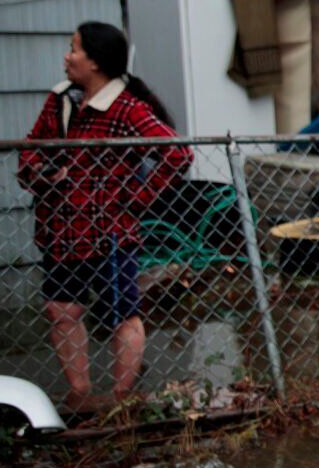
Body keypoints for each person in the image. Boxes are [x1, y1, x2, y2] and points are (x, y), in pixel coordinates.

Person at [18, 22, 191, 418]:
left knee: (122, 315)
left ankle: (120, 397)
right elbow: (29, 150)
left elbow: (177, 153)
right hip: (60, 230)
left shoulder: (126, 108)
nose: (67, 56)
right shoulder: (61, 101)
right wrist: (43, 174)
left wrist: (134, 201)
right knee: (62, 312)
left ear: (95, 62)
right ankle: (80, 395)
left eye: (74, 49)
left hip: (109, 235)